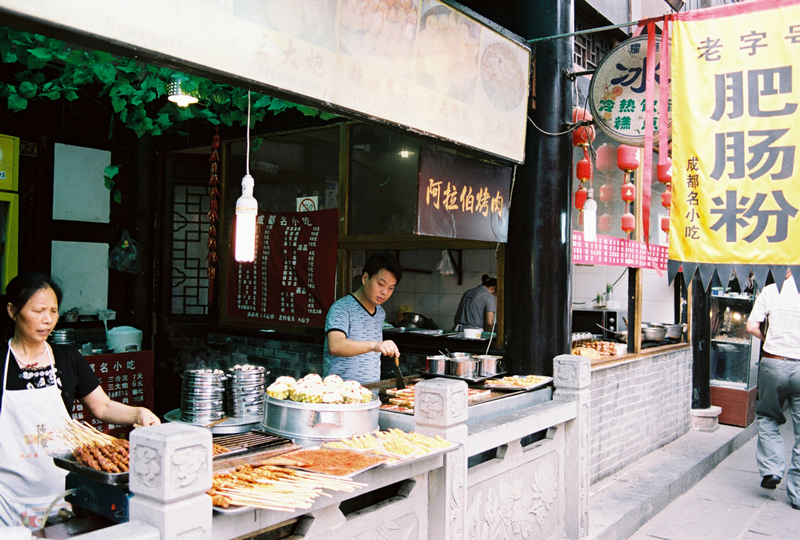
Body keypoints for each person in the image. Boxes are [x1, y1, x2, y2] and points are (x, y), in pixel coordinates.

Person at [0, 273, 160, 527]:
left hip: (61, 490)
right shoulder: (2, 361)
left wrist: (138, 413)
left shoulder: (67, 357)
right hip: (7, 497)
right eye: (38, 311)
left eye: (53, 311)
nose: (47, 320)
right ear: (12, 311)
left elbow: (103, 406)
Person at [745, 268, 800, 511]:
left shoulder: (770, 290)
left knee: (768, 417)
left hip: (773, 362)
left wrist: (768, 340)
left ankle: (772, 470)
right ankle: (798, 494)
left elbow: (751, 326)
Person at [324, 252, 403, 384]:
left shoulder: (380, 312)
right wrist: (375, 345)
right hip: (340, 391)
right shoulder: (342, 308)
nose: (384, 292)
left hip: (370, 391)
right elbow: (335, 346)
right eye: (380, 284)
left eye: (390, 288)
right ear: (365, 278)